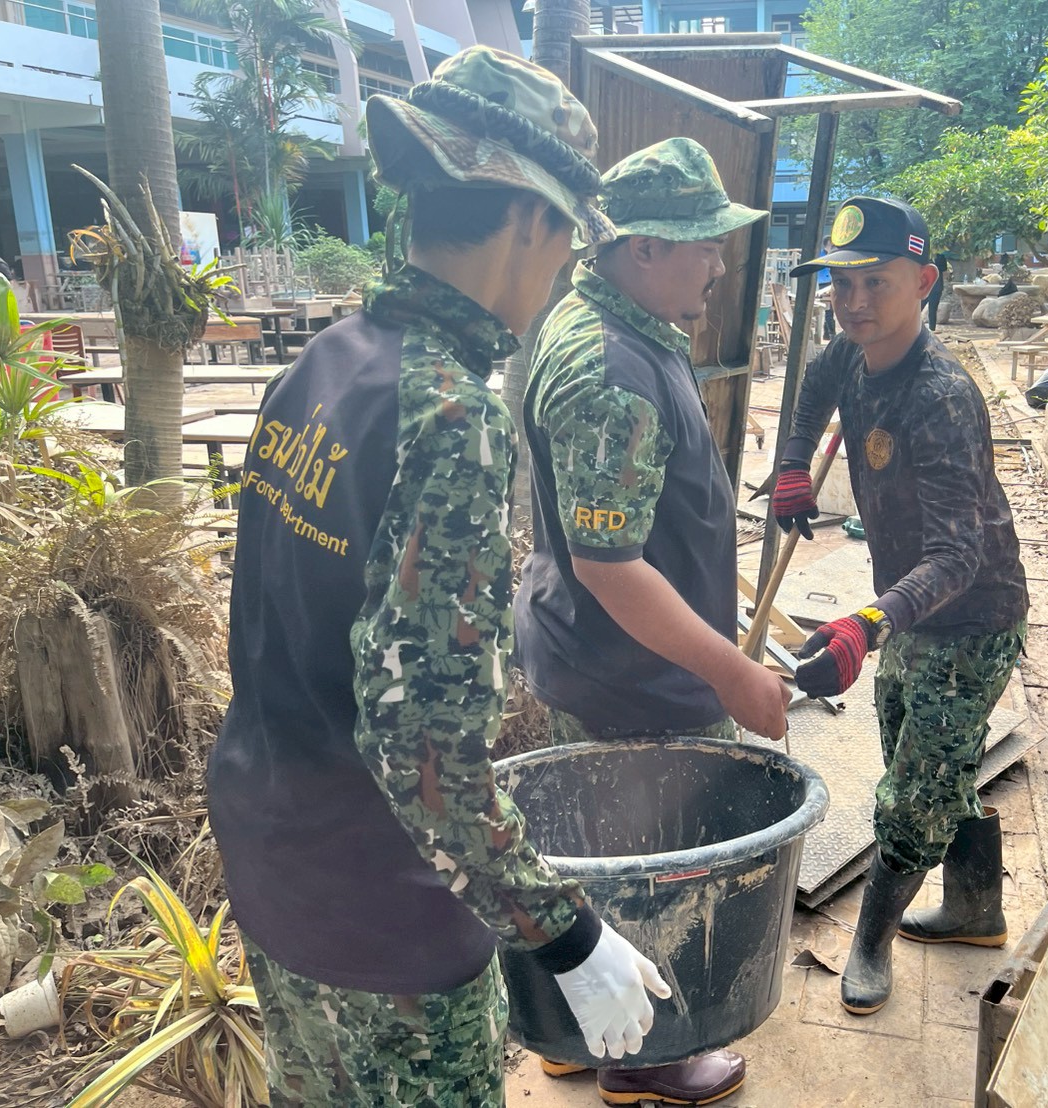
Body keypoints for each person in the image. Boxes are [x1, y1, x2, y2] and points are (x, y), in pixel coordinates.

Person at [206, 47, 670, 1107]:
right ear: (529, 220)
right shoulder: (451, 415)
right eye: (567, 236)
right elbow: (419, 743)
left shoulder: (325, 360)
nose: (564, 263)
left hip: (275, 853)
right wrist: (568, 935)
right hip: (384, 914)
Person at [516, 136, 786, 1105]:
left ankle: (576, 1034)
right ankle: (645, 1058)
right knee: (649, 866)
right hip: (629, 671)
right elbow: (611, 566)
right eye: (702, 243)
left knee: (595, 855)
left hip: (599, 655)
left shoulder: (614, 321)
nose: (719, 262)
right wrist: (732, 672)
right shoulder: (610, 371)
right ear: (641, 248)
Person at [771, 196, 1028, 1017]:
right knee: (929, 762)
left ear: (923, 282)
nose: (852, 302)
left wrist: (868, 624)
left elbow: (958, 555)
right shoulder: (850, 354)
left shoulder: (940, 395)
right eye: (840, 284)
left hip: (971, 618)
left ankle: (869, 945)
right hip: (909, 610)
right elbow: (815, 381)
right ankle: (976, 910)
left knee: (914, 791)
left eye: (874, 282)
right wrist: (792, 461)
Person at [925, 249, 948, 329]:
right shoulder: (938, 255)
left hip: (931, 286)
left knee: (930, 309)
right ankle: (930, 328)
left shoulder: (939, 255)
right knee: (930, 309)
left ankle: (931, 328)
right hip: (931, 285)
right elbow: (944, 268)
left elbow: (944, 268)